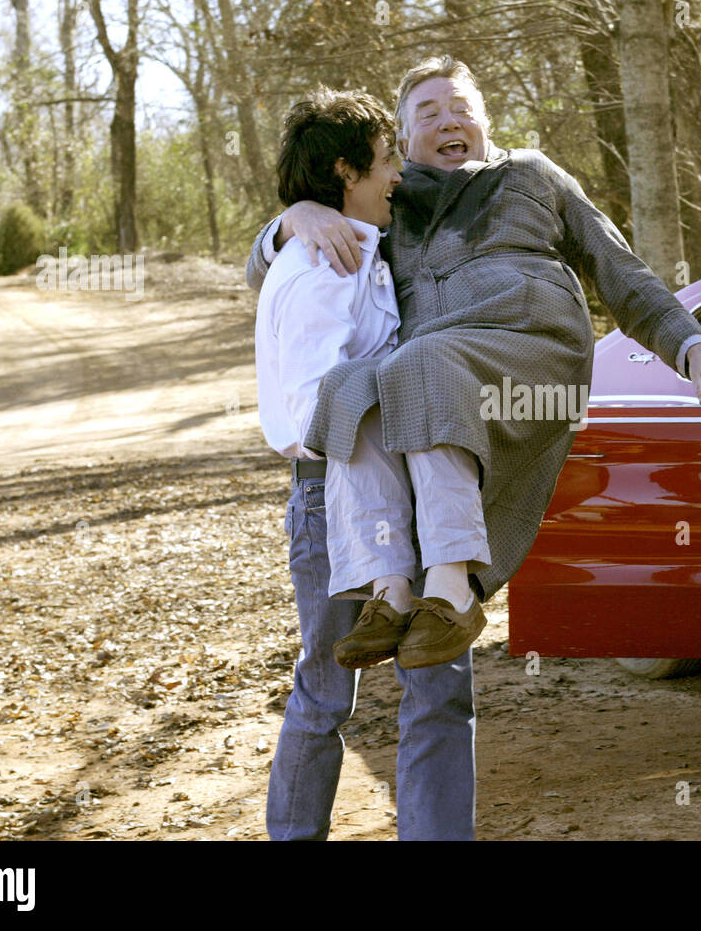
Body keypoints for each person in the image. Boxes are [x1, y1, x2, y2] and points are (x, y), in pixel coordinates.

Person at [247, 56, 701, 839]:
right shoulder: (389, 203)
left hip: (466, 430)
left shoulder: (537, 177)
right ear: (401, 143)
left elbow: (624, 273)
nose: (450, 121)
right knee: (322, 682)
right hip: (355, 458)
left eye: (462, 106)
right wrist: (290, 218)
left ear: (487, 119)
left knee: (438, 682)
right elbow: (276, 265)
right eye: (430, 111)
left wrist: (695, 350)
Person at [255, 87, 474, 841]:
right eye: (385, 163)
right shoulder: (320, 262)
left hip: (408, 485)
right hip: (332, 497)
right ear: (347, 171)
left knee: (437, 676)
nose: (397, 179)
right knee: (325, 692)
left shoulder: (361, 241)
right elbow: (322, 408)